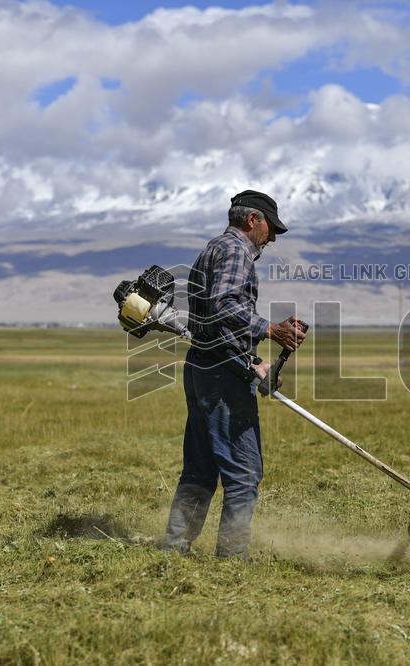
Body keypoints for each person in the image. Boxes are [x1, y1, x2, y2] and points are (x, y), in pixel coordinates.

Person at [162, 190, 305, 559]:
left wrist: (256, 364)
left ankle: (175, 547)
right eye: (270, 228)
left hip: (204, 367)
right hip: (221, 377)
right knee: (243, 472)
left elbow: (214, 321)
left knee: (201, 467)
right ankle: (232, 558)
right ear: (253, 220)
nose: (271, 238)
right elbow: (224, 304)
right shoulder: (236, 250)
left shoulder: (214, 248)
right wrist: (269, 330)